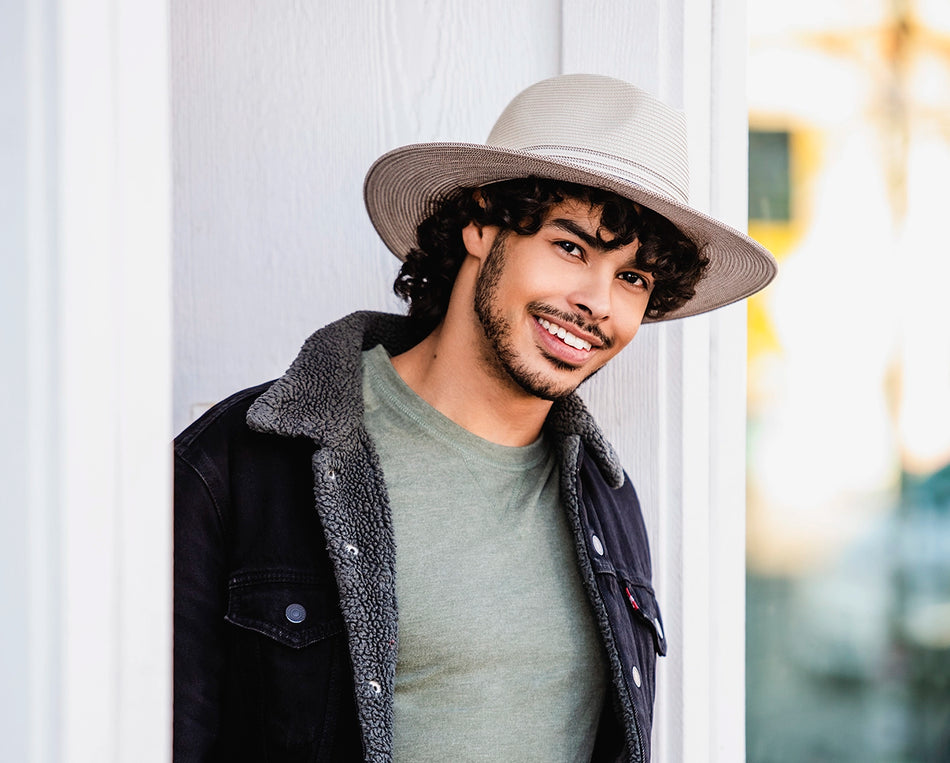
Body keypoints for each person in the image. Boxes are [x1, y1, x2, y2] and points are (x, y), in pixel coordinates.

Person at [173, 73, 776, 762]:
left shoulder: (607, 502)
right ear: (482, 223)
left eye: (632, 278)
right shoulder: (244, 463)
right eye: (571, 247)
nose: (598, 302)